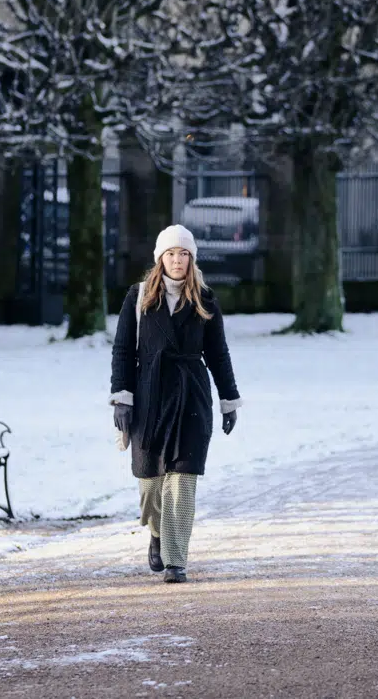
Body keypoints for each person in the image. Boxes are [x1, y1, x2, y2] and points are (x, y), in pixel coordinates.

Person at [109, 225, 242, 583]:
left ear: (191, 258)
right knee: (150, 486)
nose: (178, 260)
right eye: (171, 254)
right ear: (160, 259)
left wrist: (228, 399)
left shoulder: (205, 298)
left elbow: (218, 353)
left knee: (181, 482)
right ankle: (157, 533)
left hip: (190, 397)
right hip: (149, 395)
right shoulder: (138, 298)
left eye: (184, 254)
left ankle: (176, 559)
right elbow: (123, 349)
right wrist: (121, 398)